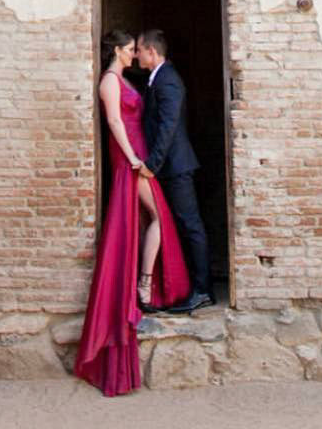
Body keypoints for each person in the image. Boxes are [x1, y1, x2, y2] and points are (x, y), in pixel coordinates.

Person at [74, 29, 190, 396]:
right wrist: (132, 157)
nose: (133, 54)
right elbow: (113, 123)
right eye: (128, 50)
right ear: (117, 52)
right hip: (130, 157)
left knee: (155, 217)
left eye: (135, 50)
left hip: (137, 154)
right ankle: (142, 283)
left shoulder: (123, 78)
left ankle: (144, 282)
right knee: (158, 216)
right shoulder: (109, 80)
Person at [136, 28, 213, 313]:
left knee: (190, 225)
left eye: (139, 50)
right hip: (169, 167)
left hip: (176, 167)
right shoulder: (156, 79)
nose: (136, 54)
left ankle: (202, 290)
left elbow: (168, 128)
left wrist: (151, 165)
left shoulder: (168, 81)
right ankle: (185, 287)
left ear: (152, 52)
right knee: (181, 225)